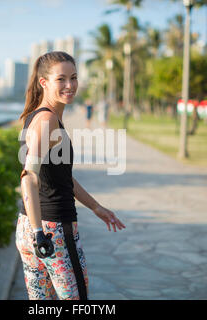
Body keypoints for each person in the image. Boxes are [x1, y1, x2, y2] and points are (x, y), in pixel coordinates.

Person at [17, 51, 126, 300]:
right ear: (43, 82)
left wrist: (96, 208)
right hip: (51, 231)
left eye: (74, 77)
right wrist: (39, 233)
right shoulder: (47, 121)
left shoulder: (39, 117)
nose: (70, 85)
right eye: (61, 79)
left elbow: (59, 178)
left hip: (27, 227)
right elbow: (29, 177)